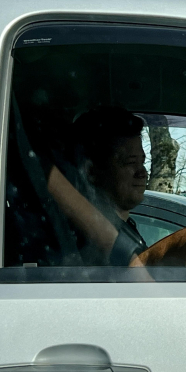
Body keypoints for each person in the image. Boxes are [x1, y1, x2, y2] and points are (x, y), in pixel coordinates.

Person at [45, 106, 149, 266]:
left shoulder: (122, 230)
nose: (142, 172)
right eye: (130, 162)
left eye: (142, 162)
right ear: (92, 171)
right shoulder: (93, 244)